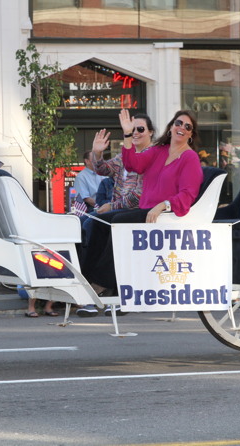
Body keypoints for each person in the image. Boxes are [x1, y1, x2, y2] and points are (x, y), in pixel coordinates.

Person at [81, 110, 203, 296]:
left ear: (191, 135)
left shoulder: (190, 157)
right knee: (99, 221)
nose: (182, 128)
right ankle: (86, 279)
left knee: (118, 223)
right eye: (179, 123)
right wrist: (127, 135)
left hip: (164, 215)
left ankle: (101, 283)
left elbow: (188, 194)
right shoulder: (159, 151)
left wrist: (162, 205)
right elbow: (133, 164)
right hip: (147, 210)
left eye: (188, 127)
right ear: (171, 127)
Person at [76, 111, 153, 316]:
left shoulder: (152, 156)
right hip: (119, 212)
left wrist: (112, 205)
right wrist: (97, 153)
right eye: (131, 129)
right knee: (88, 223)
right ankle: (87, 283)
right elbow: (102, 169)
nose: (135, 133)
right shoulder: (123, 156)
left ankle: (100, 286)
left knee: (112, 223)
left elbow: (140, 194)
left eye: (140, 129)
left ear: (151, 132)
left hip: (142, 212)